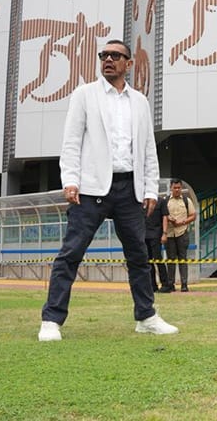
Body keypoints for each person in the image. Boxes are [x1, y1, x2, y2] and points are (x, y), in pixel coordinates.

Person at [39, 39, 177, 341]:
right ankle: (51, 320)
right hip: (90, 189)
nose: (109, 60)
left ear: (128, 64)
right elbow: (71, 141)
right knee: (71, 253)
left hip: (130, 190)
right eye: (104, 55)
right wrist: (70, 180)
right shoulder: (84, 95)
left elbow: (148, 150)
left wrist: (151, 189)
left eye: (116, 56)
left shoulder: (140, 101)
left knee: (139, 256)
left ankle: (146, 316)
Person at [162, 178, 195, 292]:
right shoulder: (165, 201)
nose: (177, 190)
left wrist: (184, 222)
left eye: (179, 188)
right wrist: (169, 219)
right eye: (174, 188)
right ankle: (171, 284)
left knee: (182, 259)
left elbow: (193, 215)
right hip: (170, 234)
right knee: (171, 260)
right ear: (171, 188)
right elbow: (163, 216)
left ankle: (184, 284)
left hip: (182, 232)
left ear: (181, 188)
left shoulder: (187, 200)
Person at [144, 189, 169, 291]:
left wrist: (164, 233)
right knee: (148, 261)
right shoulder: (142, 203)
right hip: (144, 235)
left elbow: (165, 217)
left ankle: (165, 284)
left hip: (156, 234)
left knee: (158, 259)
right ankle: (152, 285)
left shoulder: (161, 201)